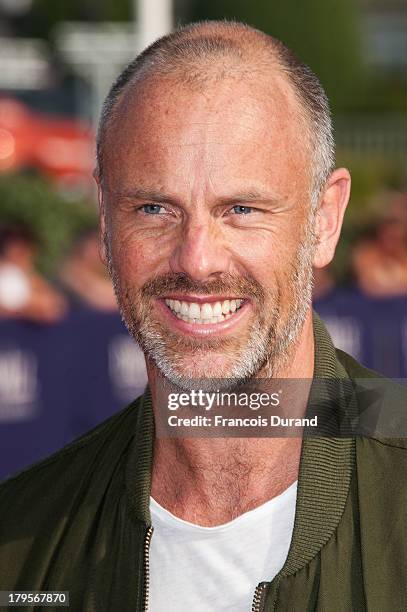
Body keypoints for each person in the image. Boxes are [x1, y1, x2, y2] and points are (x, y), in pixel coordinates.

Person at [1, 21, 406, 612]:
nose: (197, 259)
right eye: (154, 208)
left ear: (324, 220)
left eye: (241, 209)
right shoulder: (22, 542)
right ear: (106, 221)